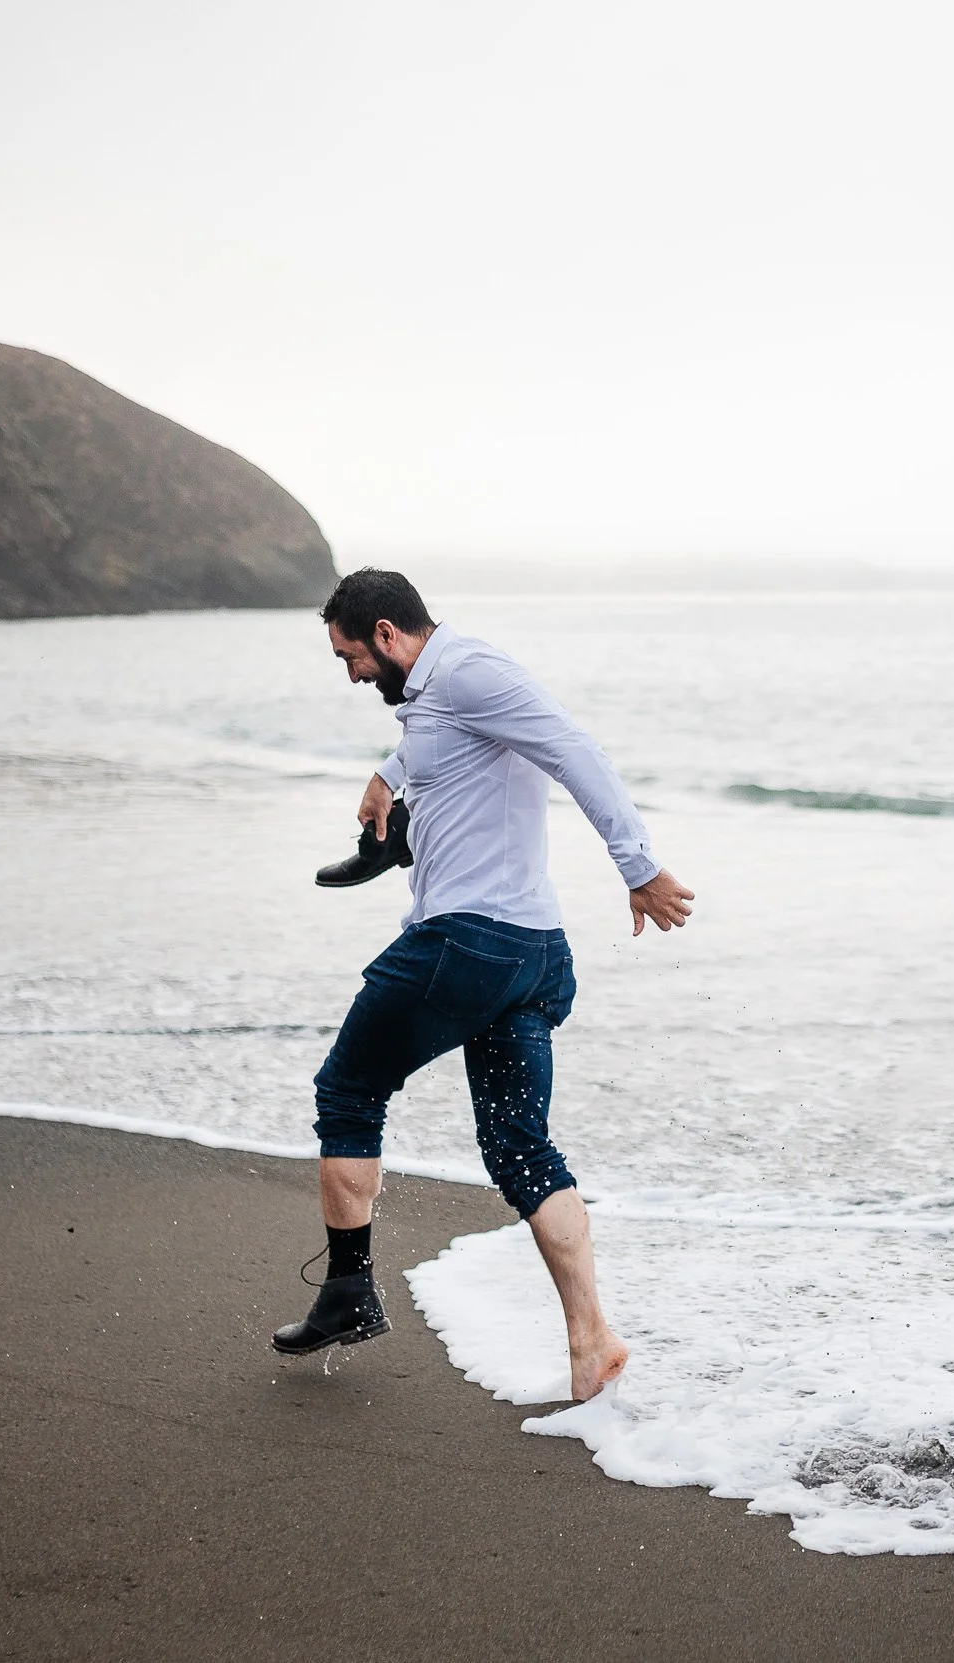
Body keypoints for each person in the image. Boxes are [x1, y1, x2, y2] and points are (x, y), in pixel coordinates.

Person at [272, 568, 694, 1403]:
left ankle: (349, 1290)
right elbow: (440, 738)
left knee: (348, 1088)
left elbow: (572, 749)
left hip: (467, 943)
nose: (351, 672)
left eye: (351, 655)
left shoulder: (470, 671)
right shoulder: (435, 692)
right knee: (520, 1149)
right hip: (532, 955)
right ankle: (592, 1341)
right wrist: (390, 776)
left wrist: (639, 868)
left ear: (388, 635)